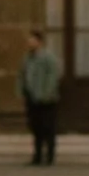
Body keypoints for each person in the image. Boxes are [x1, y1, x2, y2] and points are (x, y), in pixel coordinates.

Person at [18, 30, 61, 167]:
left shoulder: (48, 58)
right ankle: (37, 156)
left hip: (47, 99)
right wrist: (21, 91)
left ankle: (49, 156)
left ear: (39, 42)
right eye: (29, 41)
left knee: (48, 127)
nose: (30, 43)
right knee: (35, 127)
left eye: (32, 41)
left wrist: (46, 93)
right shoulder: (27, 58)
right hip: (32, 98)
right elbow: (22, 75)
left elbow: (52, 77)